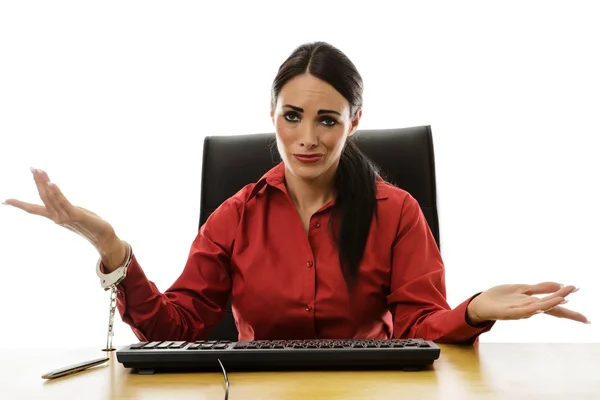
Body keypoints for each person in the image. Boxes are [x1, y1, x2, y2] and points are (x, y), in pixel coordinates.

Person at [3, 42, 589, 344]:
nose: (307, 139)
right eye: (293, 116)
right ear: (273, 115)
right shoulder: (234, 217)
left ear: (355, 122)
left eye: (328, 120)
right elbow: (175, 328)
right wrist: (111, 247)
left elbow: (418, 329)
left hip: (372, 395)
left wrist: (476, 308)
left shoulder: (397, 211)